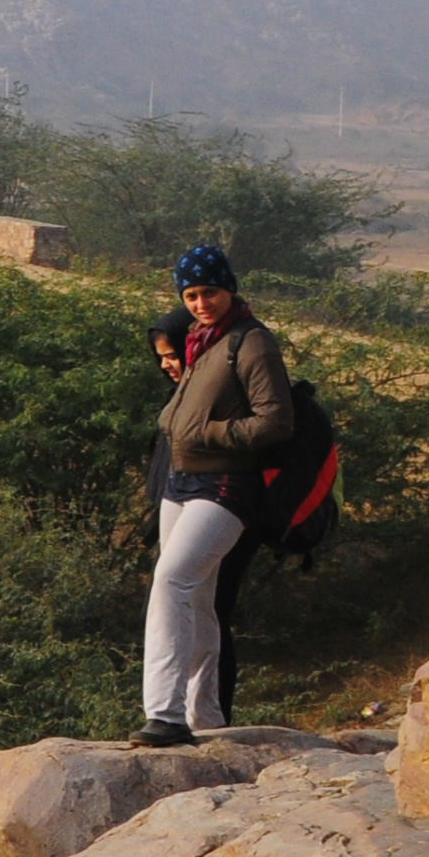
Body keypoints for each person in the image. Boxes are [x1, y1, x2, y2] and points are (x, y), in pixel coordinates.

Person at [140, 245, 294, 746]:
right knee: (200, 601)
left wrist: (210, 433)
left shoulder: (251, 343)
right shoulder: (203, 340)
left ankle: (163, 714)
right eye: (191, 295)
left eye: (209, 292)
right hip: (182, 481)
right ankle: (205, 715)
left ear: (229, 288)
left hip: (227, 483)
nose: (201, 302)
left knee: (172, 581)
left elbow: (276, 421)